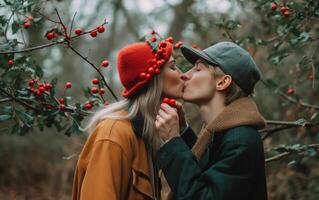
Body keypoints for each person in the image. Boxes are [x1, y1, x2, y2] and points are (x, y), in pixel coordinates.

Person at [72, 35, 185, 200]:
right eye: (173, 67)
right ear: (153, 76)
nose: (183, 75)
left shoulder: (146, 133)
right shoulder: (113, 134)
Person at [155, 41, 268, 200]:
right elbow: (204, 172)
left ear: (222, 82)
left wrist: (173, 141)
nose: (184, 74)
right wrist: (183, 131)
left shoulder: (240, 141)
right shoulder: (225, 134)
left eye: (198, 69)